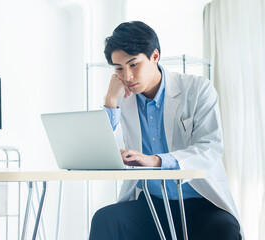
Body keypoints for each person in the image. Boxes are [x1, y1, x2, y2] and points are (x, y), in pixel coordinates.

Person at [89, 21, 243, 240]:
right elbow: (104, 155)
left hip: (200, 203)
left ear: (154, 56)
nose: (128, 76)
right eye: (119, 69)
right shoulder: (120, 101)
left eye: (133, 64)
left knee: (225, 228)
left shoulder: (198, 89)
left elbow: (210, 148)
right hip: (152, 205)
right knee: (106, 219)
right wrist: (110, 101)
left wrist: (156, 160)